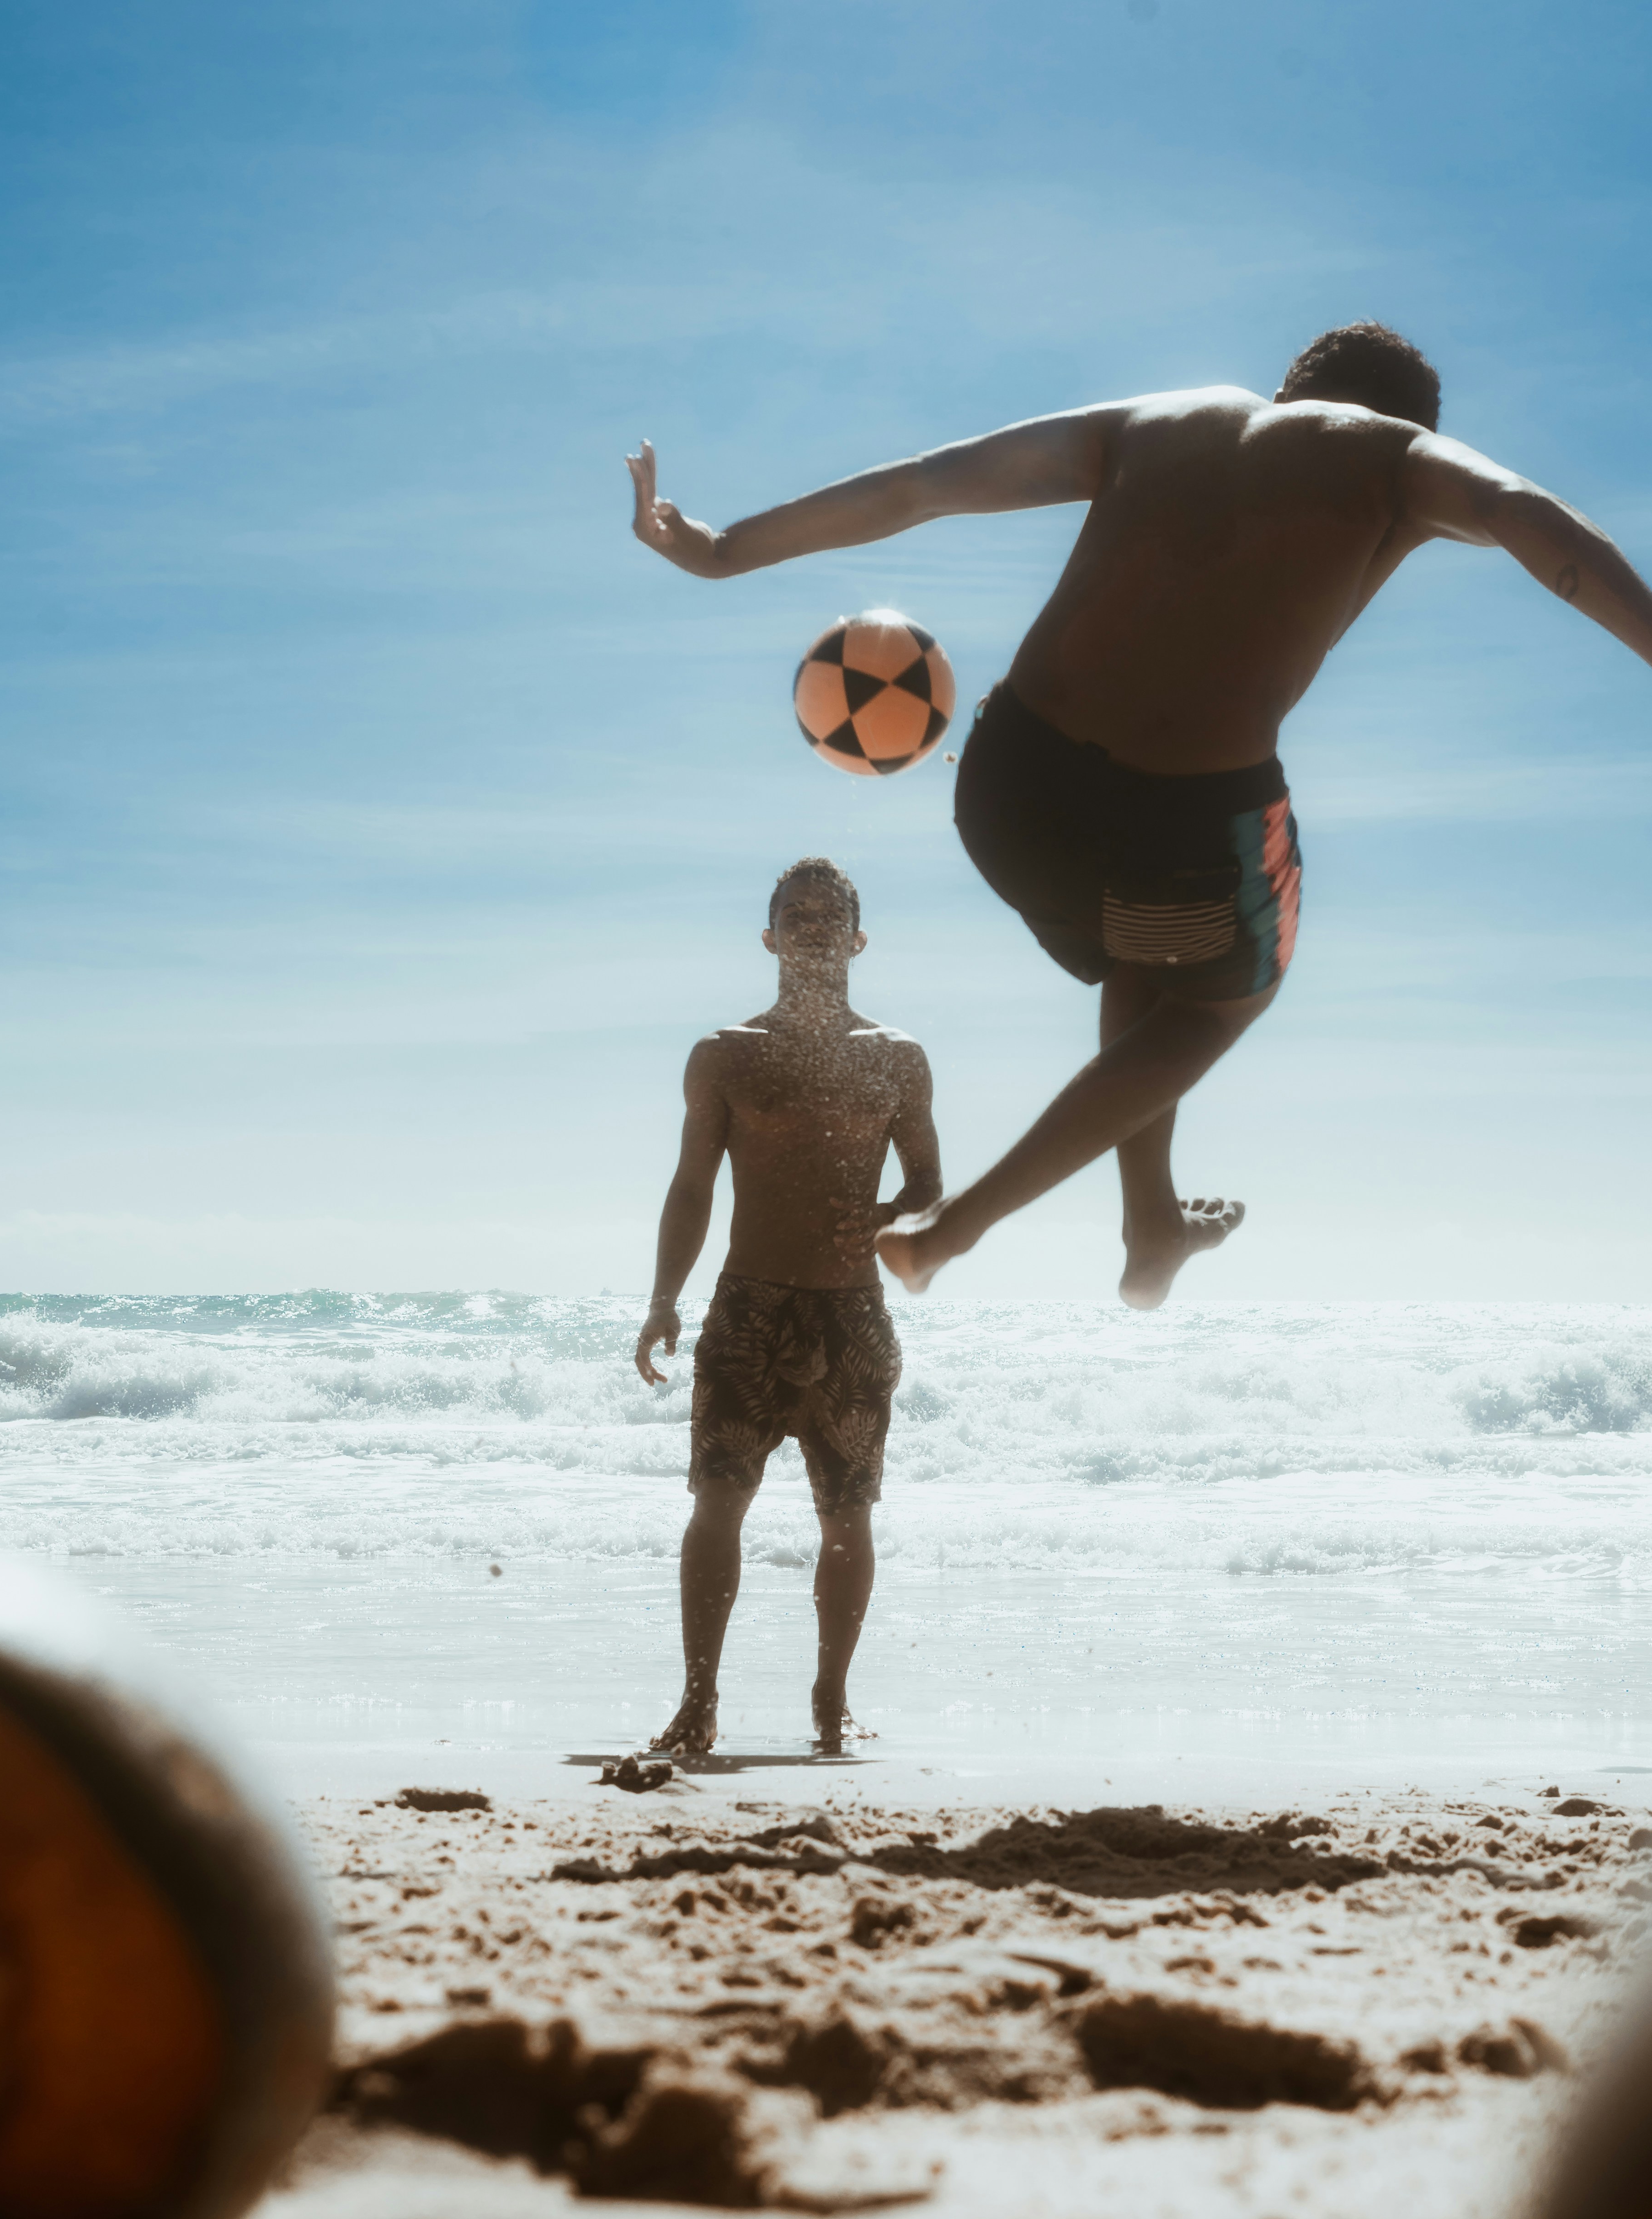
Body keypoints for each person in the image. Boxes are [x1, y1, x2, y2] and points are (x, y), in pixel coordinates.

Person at [626, 322, 1652, 1306]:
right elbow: (1525, 514)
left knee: (1153, 951)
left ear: (1287, 388)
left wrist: (721, 549)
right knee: (1225, 994)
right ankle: (951, 1229)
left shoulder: (1168, 417)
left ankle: (1149, 1225)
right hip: (1179, 831)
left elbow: (923, 484)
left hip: (1007, 796)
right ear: (1409, 418)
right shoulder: (1397, 457)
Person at [634, 857, 940, 1754]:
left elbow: (928, 1184)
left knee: (847, 1514)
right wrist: (663, 1300)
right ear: (768, 937)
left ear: (857, 939)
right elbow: (692, 1185)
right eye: (795, 913)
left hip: (851, 1314)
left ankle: (831, 1701)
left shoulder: (896, 1057)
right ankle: (697, 1698)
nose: (812, 925)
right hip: (750, 1311)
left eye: (828, 913)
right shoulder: (724, 1054)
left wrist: (887, 1213)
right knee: (716, 1503)